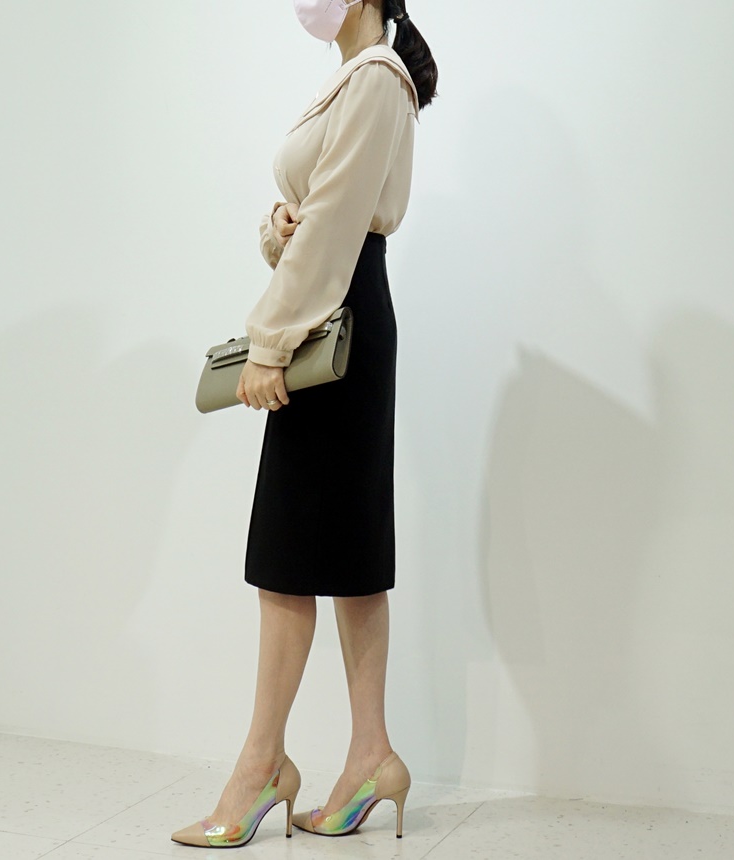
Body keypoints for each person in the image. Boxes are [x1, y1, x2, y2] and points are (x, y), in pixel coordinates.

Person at [172, 0, 437, 849]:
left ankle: (261, 767)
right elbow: (310, 215)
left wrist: (270, 342)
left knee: (288, 559)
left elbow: (335, 229)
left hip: (334, 322)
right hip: (337, 310)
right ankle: (370, 757)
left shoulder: (377, 77)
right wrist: (275, 225)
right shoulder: (353, 80)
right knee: (341, 554)